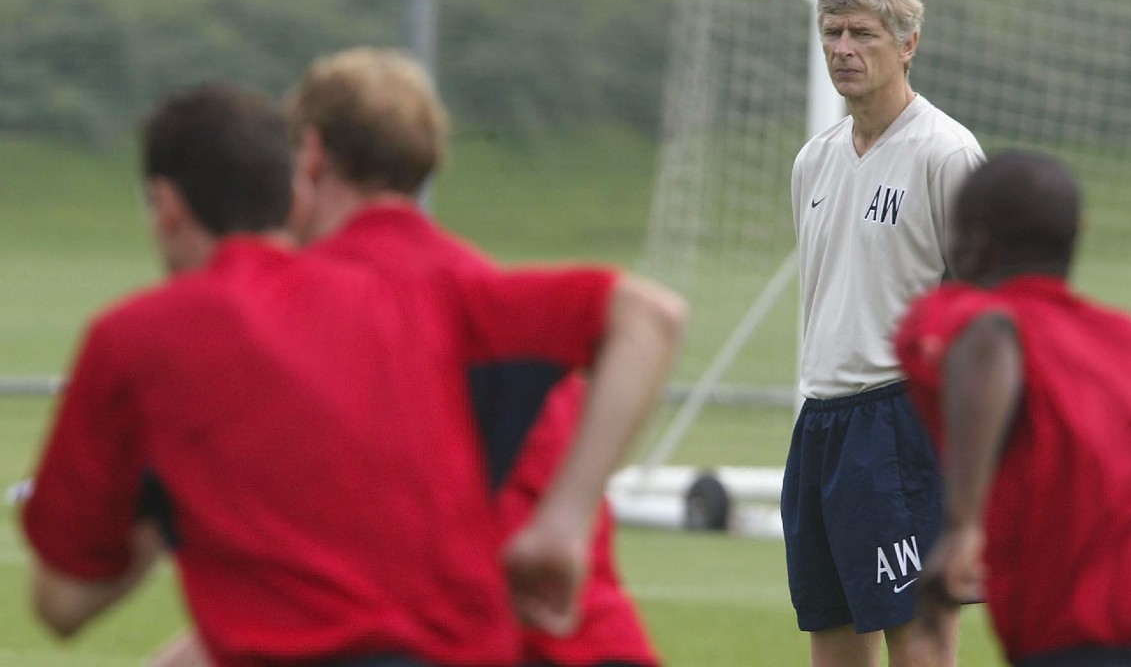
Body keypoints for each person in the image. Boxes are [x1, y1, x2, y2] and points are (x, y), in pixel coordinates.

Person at [23, 83, 685, 667]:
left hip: (534, 645)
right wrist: (563, 525)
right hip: (568, 640)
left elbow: (63, 602)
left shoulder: (155, 337)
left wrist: (162, 510)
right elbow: (646, 316)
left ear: (309, 163)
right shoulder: (437, 295)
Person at [286, 46, 662, 667]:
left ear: (314, 154)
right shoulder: (492, 300)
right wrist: (565, 523)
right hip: (603, 644)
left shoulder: (315, 308)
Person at [895, 150, 1131, 667]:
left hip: (1076, 641)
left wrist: (961, 523)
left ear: (975, 245)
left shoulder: (964, 319)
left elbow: (987, 341)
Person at [782, 0, 985, 667]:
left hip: (901, 424)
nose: (842, 48)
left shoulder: (946, 153)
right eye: (831, 32)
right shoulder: (814, 160)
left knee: (919, 645)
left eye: (861, 33)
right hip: (821, 422)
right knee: (832, 640)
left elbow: (982, 317)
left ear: (908, 43)